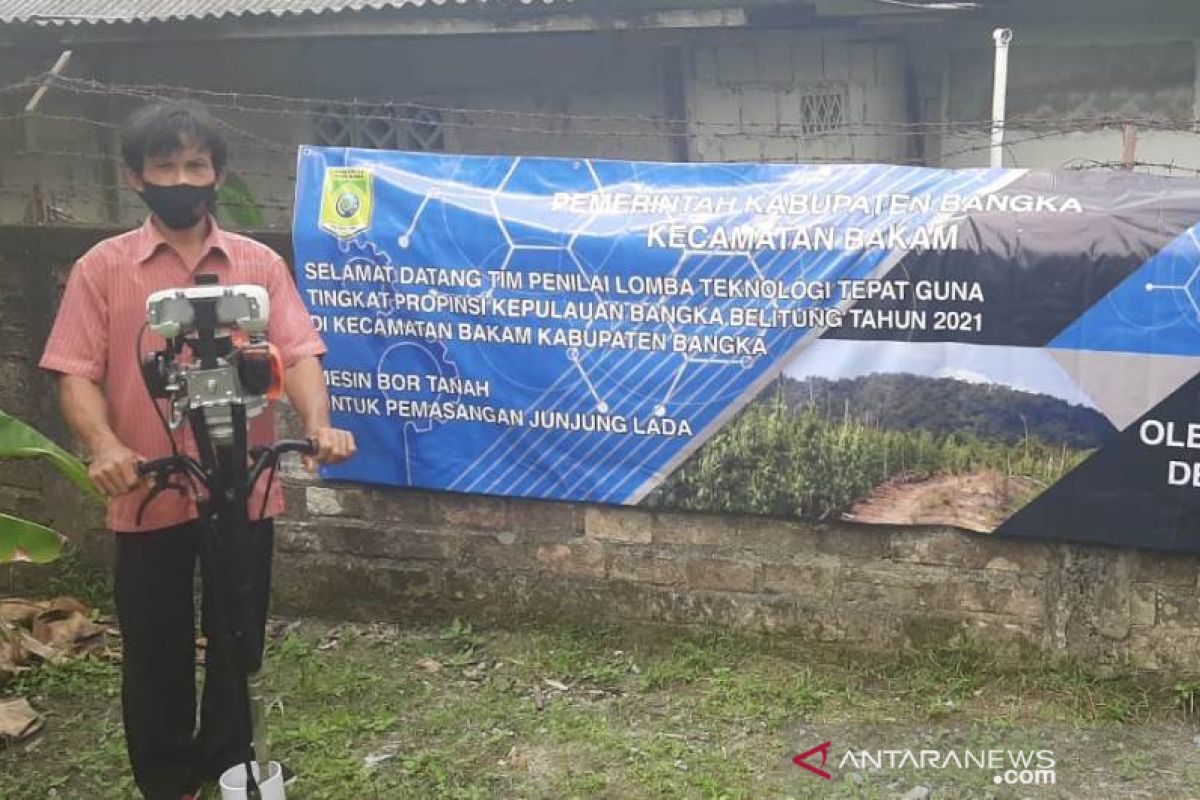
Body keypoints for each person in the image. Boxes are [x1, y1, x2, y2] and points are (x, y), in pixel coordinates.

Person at [39, 100, 356, 800]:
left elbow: (300, 353)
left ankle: (230, 763)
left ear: (216, 173)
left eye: (195, 164)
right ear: (137, 178)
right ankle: (168, 782)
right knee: (156, 645)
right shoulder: (103, 268)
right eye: (165, 166)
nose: (182, 178)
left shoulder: (258, 264)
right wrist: (104, 445)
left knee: (240, 635)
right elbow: (74, 374)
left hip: (243, 485)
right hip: (148, 487)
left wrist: (322, 423)